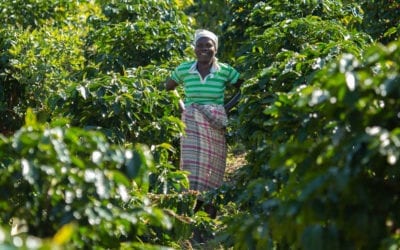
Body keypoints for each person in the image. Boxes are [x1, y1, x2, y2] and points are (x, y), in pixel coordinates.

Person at [165, 29, 243, 217]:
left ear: (215, 48)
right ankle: (191, 209)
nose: (204, 49)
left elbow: (243, 88)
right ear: (194, 48)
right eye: (200, 45)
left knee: (213, 163)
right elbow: (169, 87)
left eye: (208, 45)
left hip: (215, 122)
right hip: (192, 122)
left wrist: (226, 108)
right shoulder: (184, 69)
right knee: (192, 165)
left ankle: (210, 209)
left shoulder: (225, 71)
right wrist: (182, 106)